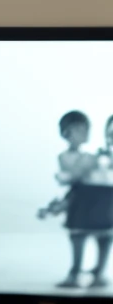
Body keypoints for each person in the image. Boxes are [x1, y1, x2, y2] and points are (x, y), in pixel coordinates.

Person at [37, 110, 112, 288]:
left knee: (105, 237)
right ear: (66, 133)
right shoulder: (74, 157)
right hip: (84, 200)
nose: (82, 133)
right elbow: (74, 177)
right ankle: (75, 272)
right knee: (78, 236)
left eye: (84, 129)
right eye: (76, 129)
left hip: (104, 199)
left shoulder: (98, 157)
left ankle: (98, 273)